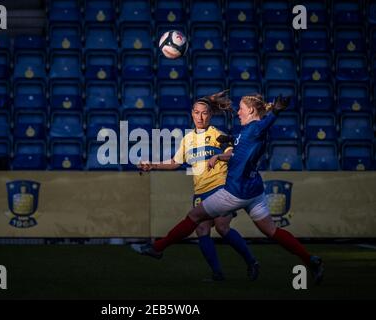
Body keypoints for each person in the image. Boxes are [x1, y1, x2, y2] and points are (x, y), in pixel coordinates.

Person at [132, 93, 325, 284]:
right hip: (254, 191)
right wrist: (230, 140)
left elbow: (261, 127)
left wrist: (274, 112)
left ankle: (158, 248)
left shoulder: (253, 128)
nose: (238, 112)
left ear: (250, 110)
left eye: (241, 108)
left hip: (234, 192)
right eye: (197, 112)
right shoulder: (243, 131)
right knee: (272, 231)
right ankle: (310, 261)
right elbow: (242, 146)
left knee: (194, 217)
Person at [138, 91, 259, 281]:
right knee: (202, 230)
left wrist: (219, 155)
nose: (200, 117)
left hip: (220, 188)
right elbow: (175, 162)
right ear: (192, 114)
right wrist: (152, 164)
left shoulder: (217, 135)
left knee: (221, 226)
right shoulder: (187, 140)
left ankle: (251, 262)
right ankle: (218, 273)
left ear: (210, 115)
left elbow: (233, 154)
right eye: (196, 112)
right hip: (200, 192)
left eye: (204, 113)